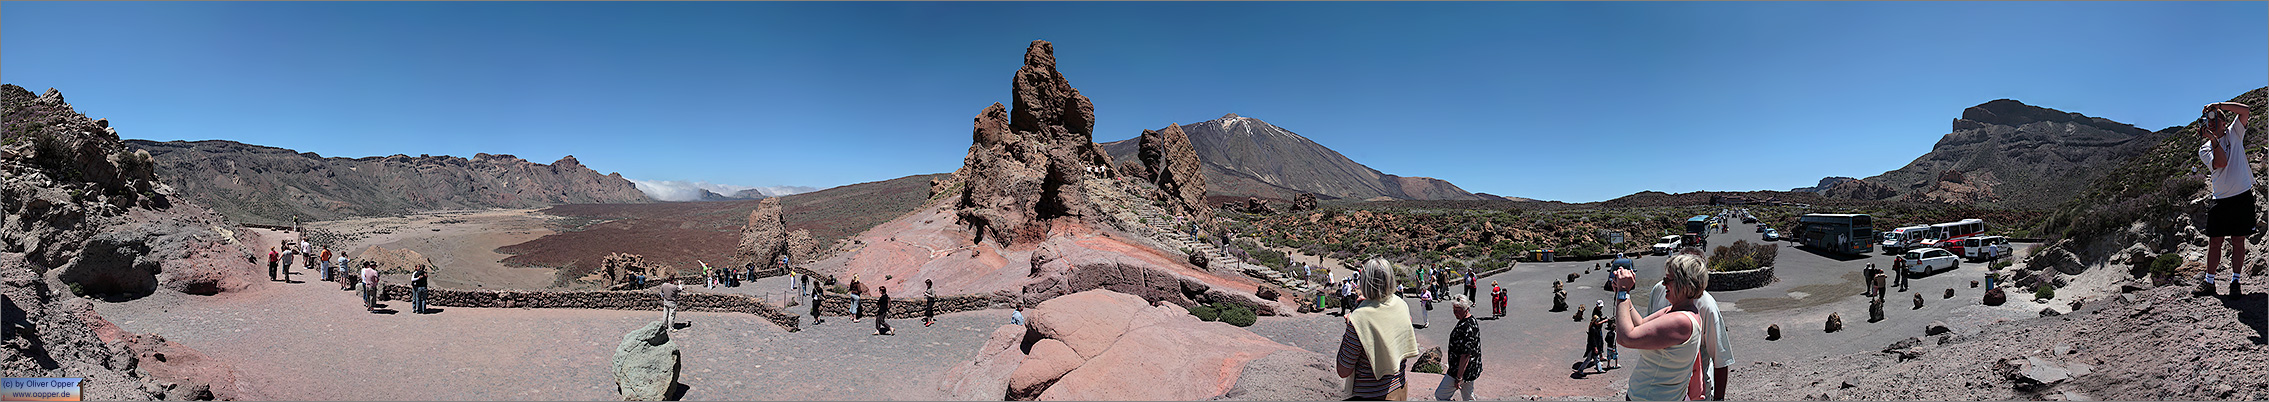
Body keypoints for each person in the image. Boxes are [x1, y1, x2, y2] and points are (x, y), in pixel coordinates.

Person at [1611, 253, 1709, 401]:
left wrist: (1623, 293)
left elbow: (1626, 338)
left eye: (1668, 279)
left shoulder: (1680, 321)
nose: (1663, 284)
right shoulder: (1678, 311)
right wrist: (1624, 294)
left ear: (1684, 284)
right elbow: (1641, 325)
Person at [1336, 258, 1419, 401]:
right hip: (1399, 389)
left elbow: (1343, 370)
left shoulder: (1359, 319)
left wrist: (1350, 325)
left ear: (1365, 282)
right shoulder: (1401, 305)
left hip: (1371, 394)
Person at [2197, 101, 2254, 295]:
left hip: (2241, 195)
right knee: (2215, 242)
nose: (2211, 123)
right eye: (2208, 121)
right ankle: (2209, 282)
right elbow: (2221, 163)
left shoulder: (2234, 133)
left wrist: (2219, 105)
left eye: (2215, 119)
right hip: (2220, 198)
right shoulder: (2205, 148)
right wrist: (2213, 139)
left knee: (2238, 241)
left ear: (2224, 122)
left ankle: (2235, 281)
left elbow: (2245, 110)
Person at [1437, 294, 1481, 401]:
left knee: (1441, 395)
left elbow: (1466, 354)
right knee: (1468, 397)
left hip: (1460, 370)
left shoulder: (1467, 326)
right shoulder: (1470, 320)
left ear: (1466, 309)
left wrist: (1459, 377)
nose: (1455, 313)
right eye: (1454, 310)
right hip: (1470, 369)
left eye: (1458, 310)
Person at [1584, 301, 1606, 374]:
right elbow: (1593, 340)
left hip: (1594, 342)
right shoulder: (1593, 329)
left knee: (1600, 343)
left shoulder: (1593, 327)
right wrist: (1605, 321)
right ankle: (1581, 369)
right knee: (1589, 359)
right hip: (1592, 345)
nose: (1600, 308)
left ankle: (1599, 364)